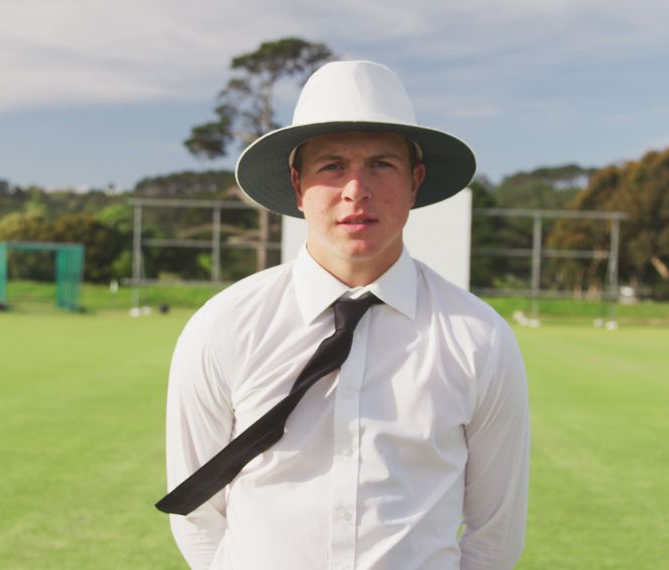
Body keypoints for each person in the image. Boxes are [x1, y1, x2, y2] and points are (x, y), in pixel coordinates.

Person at [161, 60, 529, 569]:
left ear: (416, 180)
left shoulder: (479, 338)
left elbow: (496, 531)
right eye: (332, 166)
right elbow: (196, 512)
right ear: (297, 183)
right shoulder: (223, 327)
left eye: (382, 164)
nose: (357, 189)